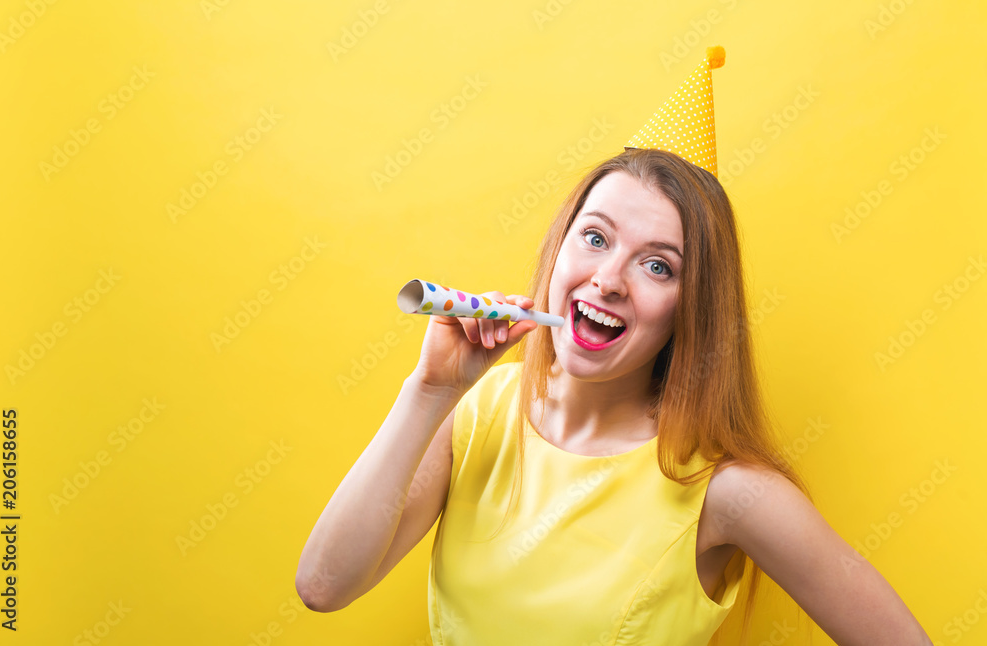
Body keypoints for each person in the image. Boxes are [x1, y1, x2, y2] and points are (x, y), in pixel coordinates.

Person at [295, 146, 934, 645]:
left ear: (692, 310)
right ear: (560, 247)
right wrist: (431, 390)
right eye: (596, 238)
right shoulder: (479, 409)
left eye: (657, 265)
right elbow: (324, 585)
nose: (607, 280)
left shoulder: (728, 491)